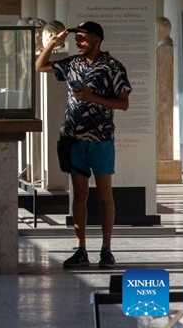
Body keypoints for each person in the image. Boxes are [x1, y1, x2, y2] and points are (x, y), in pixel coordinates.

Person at [35, 21, 132, 269]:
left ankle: (106, 250)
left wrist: (93, 98)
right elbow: (39, 66)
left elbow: (123, 103)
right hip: (74, 139)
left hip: (100, 140)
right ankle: (81, 249)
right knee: (79, 195)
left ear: (97, 40)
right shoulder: (72, 63)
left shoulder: (113, 67)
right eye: (76, 38)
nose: (77, 42)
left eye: (83, 38)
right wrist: (53, 44)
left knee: (104, 195)